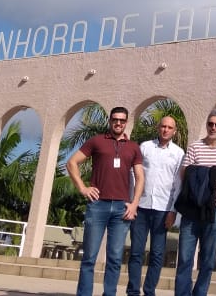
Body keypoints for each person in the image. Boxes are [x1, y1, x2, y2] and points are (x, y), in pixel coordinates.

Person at [67, 106, 145, 296]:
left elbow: (140, 177)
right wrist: (83, 188)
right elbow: (71, 162)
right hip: (98, 205)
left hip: (122, 208)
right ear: (110, 121)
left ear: (126, 123)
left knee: (115, 258)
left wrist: (134, 204)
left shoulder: (134, 147)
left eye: (122, 120)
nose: (118, 123)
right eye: (115, 120)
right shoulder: (97, 141)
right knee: (89, 258)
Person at [127, 116, 184, 296]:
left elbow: (178, 184)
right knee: (136, 251)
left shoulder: (178, 153)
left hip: (163, 208)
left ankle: (149, 291)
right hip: (141, 206)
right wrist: (131, 202)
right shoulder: (145, 147)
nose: (166, 130)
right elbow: (134, 174)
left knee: (157, 254)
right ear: (158, 128)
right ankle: (133, 291)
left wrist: (173, 211)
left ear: (174, 131)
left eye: (170, 127)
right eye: (163, 126)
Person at [175, 110, 216, 296]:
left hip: (215, 210)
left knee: (208, 259)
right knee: (184, 258)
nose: (213, 127)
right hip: (191, 210)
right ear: (206, 125)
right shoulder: (195, 147)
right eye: (210, 124)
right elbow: (184, 174)